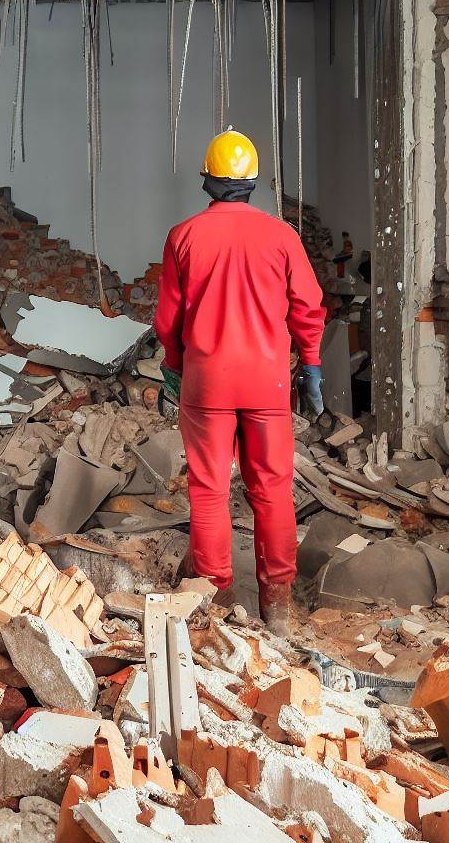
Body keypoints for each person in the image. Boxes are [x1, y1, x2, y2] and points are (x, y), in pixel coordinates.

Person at [154, 129, 326, 634]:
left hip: (206, 383)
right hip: (267, 385)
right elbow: (308, 308)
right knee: (272, 490)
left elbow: (169, 319)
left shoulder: (184, 236)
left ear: (208, 180)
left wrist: (174, 364)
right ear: (251, 183)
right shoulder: (282, 237)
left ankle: (214, 600)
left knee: (208, 490)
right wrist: (311, 364)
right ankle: (278, 607)